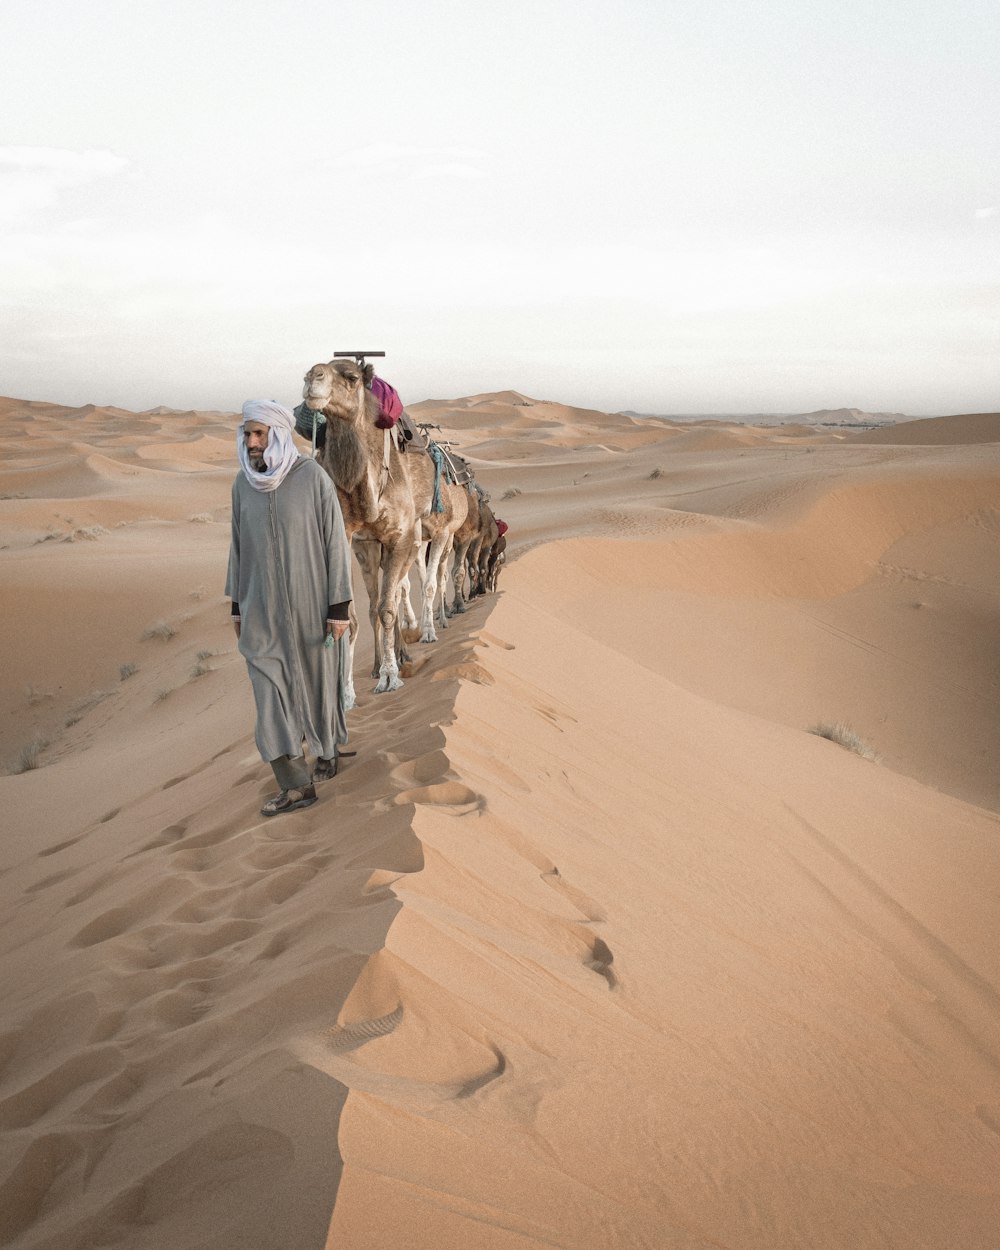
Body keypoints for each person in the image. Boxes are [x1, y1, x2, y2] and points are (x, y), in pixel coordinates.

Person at [226, 399, 353, 816]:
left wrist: (339, 607)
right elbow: (238, 547)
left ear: (277, 434)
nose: (252, 442)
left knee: (320, 684)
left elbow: (335, 543)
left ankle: (328, 750)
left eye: (259, 434)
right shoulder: (243, 485)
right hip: (261, 611)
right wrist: (237, 607)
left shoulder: (311, 477)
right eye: (247, 434)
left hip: (313, 603)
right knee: (268, 695)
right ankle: (296, 784)